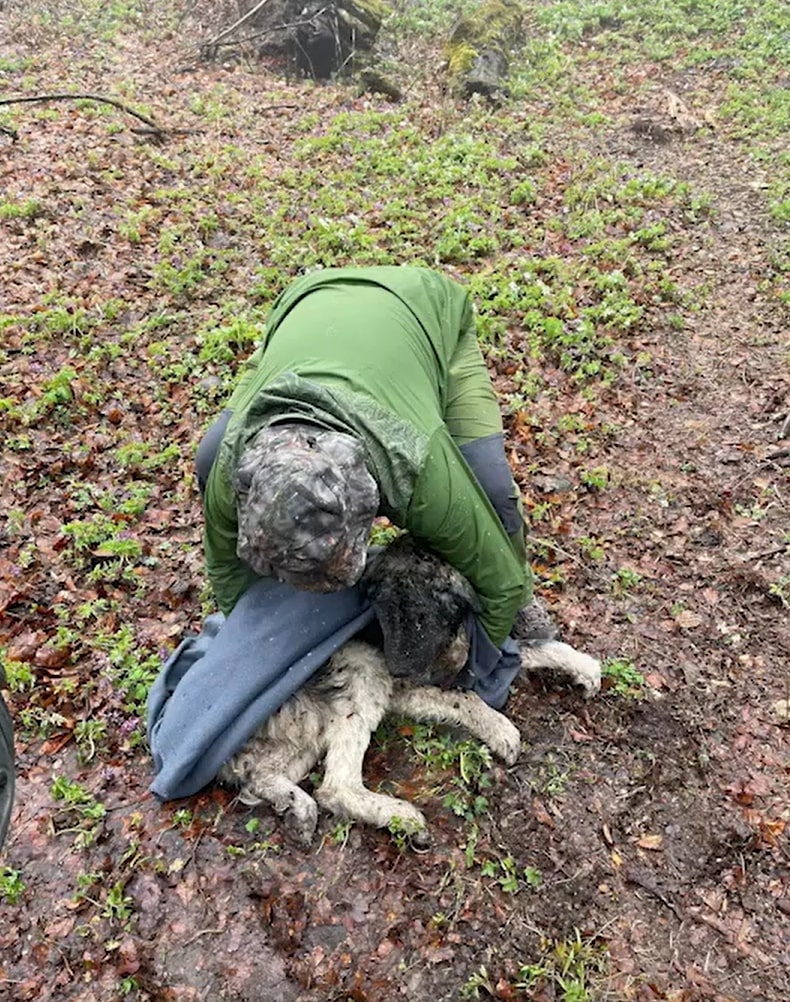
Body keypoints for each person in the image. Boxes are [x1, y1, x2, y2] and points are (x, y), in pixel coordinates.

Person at [147, 265, 549, 801]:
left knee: (494, 493)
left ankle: (526, 607)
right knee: (206, 453)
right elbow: (226, 570)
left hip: (424, 313)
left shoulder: (421, 470)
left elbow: (496, 580)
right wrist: (256, 647)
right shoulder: (230, 469)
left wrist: (477, 667)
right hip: (306, 304)